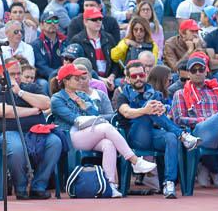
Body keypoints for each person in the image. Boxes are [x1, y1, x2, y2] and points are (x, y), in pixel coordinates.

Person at [50, 64, 156, 197]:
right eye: (76, 78)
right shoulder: (57, 98)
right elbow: (74, 120)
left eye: (81, 78)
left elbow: (95, 114)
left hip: (88, 133)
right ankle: (135, 161)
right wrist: (91, 116)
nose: (80, 81)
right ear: (66, 81)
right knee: (105, 127)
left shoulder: (82, 95)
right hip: (70, 137)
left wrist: (85, 106)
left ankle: (109, 186)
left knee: (108, 144)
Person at [117, 60, 200, 198]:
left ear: (146, 74)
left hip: (154, 134)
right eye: (134, 76)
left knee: (171, 137)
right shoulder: (123, 95)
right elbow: (126, 112)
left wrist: (163, 109)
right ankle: (183, 135)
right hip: (134, 136)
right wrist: (146, 110)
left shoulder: (154, 93)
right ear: (127, 78)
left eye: (141, 75)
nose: (138, 78)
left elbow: (164, 116)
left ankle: (169, 183)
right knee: (150, 109)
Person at [0, 58, 61, 199]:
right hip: (9, 131)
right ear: (3, 75)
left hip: (36, 131)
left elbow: (46, 103)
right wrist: (32, 111)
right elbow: (1, 111)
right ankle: (20, 187)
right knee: (16, 148)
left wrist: (20, 93)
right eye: (12, 74)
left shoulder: (31, 87)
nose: (17, 77)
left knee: (55, 142)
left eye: (19, 73)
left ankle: (39, 186)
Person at [170, 54, 218, 197]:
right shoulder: (180, 93)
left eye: (200, 69)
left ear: (206, 70)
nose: (197, 73)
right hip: (199, 133)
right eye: (193, 70)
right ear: (189, 73)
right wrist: (203, 119)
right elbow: (178, 119)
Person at [70, 7, 117, 89]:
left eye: (100, 19)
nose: (98, 22)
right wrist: (100, 79)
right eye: (94, 19)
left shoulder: (109, 38)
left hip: (110, 78)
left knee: (120, 82)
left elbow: (115, 61)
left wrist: (112, 76)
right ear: (85, 22)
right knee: (98, 84)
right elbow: (79, 66)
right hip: (88, 79)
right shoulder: (77, 40)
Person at [32, 11, 67, 95]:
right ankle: (49, 106)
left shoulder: (65, 41)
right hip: (44, 77)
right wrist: (57, 75)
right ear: (41, 25)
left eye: (55, 21)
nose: (52, 23)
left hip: (64, 75)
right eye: (48, 21)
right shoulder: (36, 44)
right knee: (44, 84)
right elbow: (41, 67)